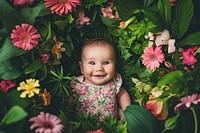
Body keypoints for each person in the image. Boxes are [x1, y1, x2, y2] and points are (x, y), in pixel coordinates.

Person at [70, 38, 131, 121]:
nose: (99, 68)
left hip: (110, 127)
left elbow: (122, 94)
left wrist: (127, 111)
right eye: (92, 63)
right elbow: (69, 102)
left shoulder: (114, 83)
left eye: (106, 63)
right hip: (84, 127)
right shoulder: (78, 84)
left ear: (115, 65)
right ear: (82, 67)